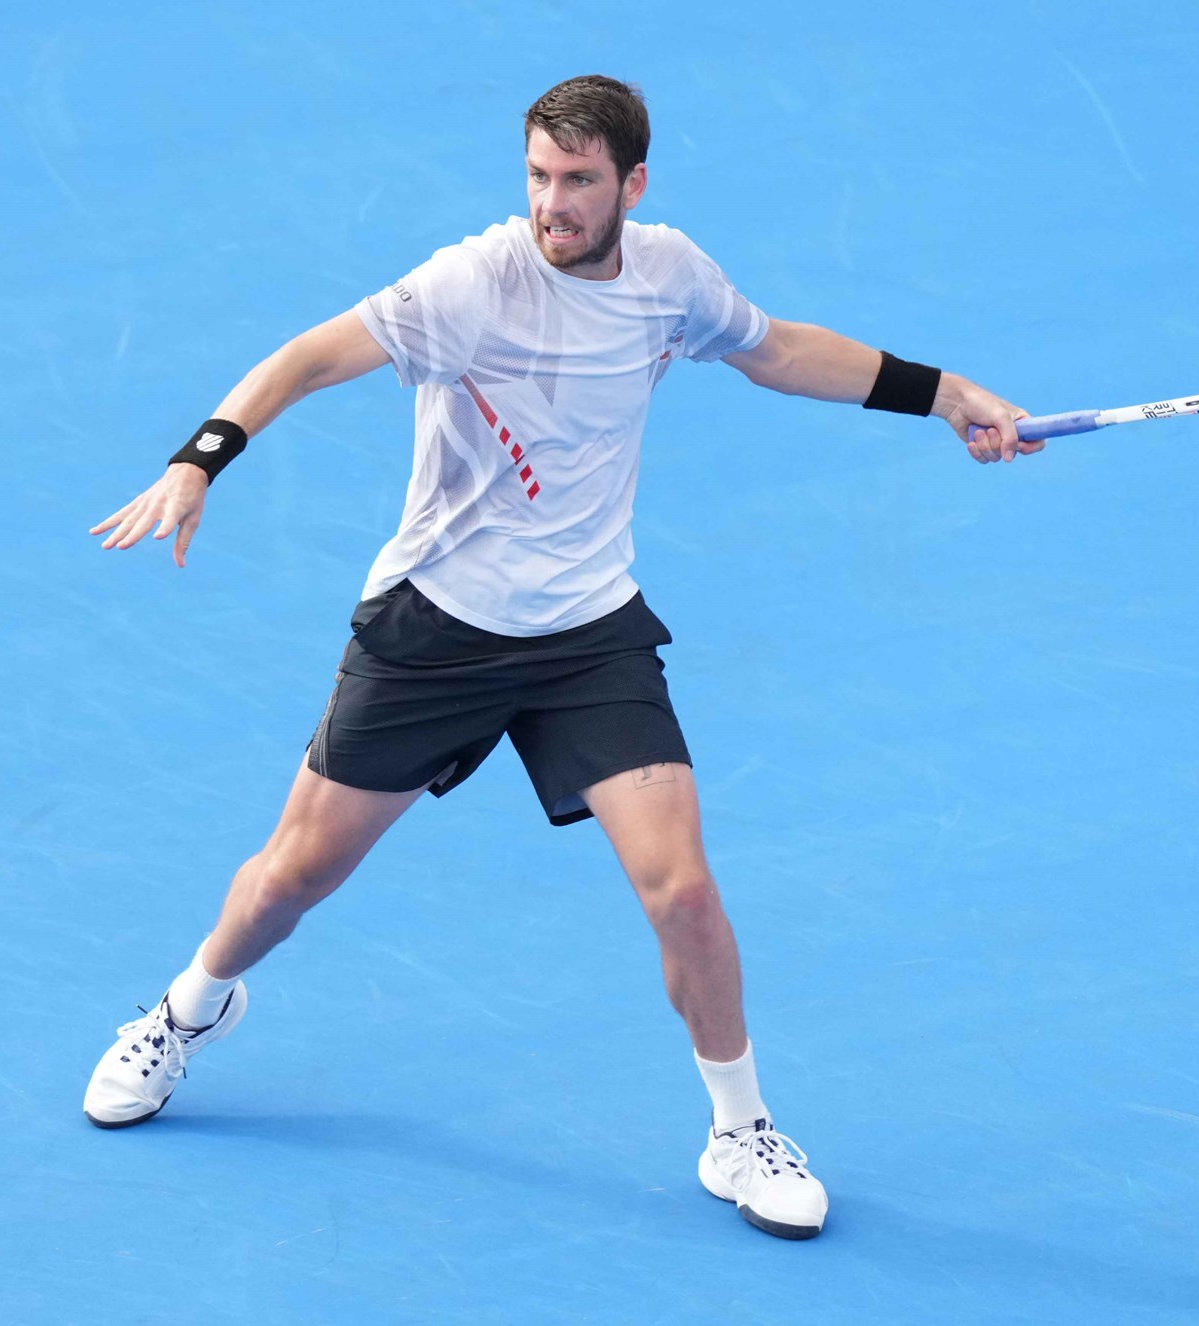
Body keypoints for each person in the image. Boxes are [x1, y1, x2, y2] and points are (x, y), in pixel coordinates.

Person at [82, 74, 1038, 1241]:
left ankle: (736, 1131)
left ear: (631, 185)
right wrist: (199, 460)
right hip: (434, 626)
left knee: (682, 890)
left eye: (578, 182)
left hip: (586, 632)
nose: (552, 204)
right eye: (538, 176)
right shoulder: (464, 285)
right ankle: (187, 1012)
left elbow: (779, 349)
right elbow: (303, 360)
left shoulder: (668, 277)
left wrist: (944, 398)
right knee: (288, 880)